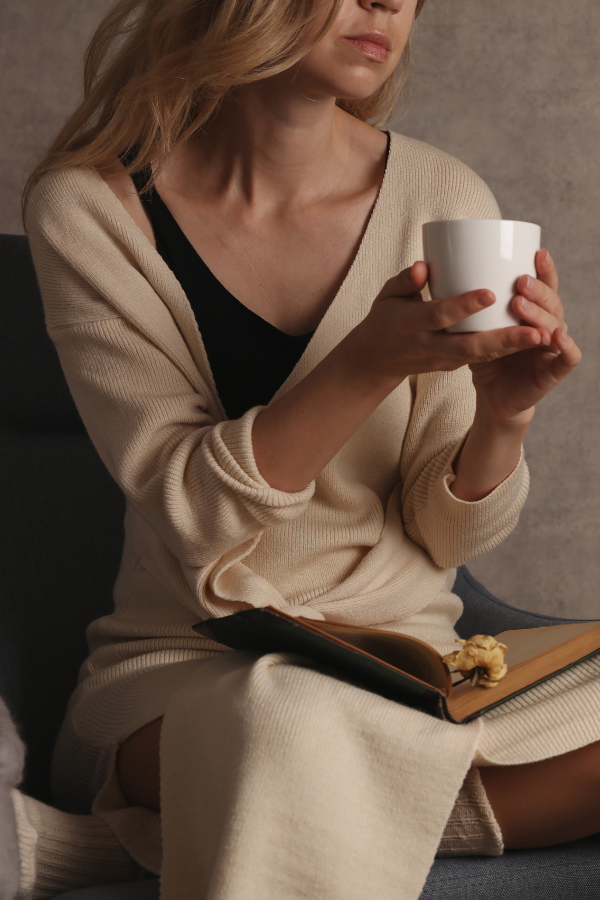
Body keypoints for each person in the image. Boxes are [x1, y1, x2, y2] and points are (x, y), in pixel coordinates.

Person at [11, 0, 597, 897]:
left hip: (409, 671)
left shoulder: (444, 199)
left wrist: (502, 419)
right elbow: (192, 514)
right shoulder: (91, 207)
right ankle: (209, 803)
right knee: (286, 718)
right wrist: (364, 364)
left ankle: (123, 843)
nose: (387, 4)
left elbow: (445, 538)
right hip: (192, 671)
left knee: (325, 725)